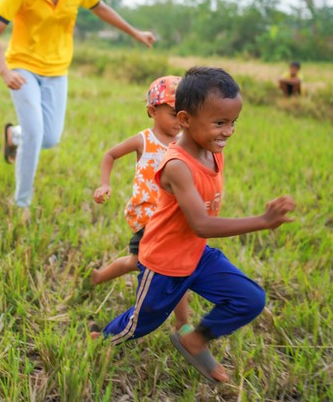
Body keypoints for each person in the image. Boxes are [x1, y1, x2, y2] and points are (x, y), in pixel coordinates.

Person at [91, 67, 296, 384]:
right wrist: (262, 221)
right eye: (219, 123)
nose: (228, 131)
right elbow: (200, 223)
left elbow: (201, 229)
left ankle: (195, 339)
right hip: (164, 262)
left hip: (197, 255)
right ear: (185, 119)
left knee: (250, 299)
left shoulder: (212, 150)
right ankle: (97, 341)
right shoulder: (176, 165)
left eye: (232, 122)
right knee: (139, 324)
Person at [0, 0, 156, 215]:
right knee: (37, 134)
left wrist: (135, 33)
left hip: (57, 71)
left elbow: (102, 9)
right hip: (23, 67)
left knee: (49, 138)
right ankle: (21, 204)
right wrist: (4, 71)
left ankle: (14, 135)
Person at [90, 75, 191, 334]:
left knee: (172, 268)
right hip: (148, 219)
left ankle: (182, 322)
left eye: (184, 115)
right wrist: (105, 184)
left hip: (175, 219)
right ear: (152, 110)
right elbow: (110, 155)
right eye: (173, 114)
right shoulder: (143, 140)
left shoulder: (185, 144)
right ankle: (99, 278)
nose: (180, 122)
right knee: (160, 267)